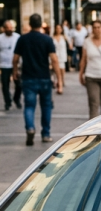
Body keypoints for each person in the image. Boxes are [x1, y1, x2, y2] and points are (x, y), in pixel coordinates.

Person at [12, 14, 63, 145]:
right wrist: (59, 79)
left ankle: (30, 128)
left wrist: (15, 72)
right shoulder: (47, 39)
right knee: (46, 106)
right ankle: (46, 134)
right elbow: (54, 59)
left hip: (28, 78)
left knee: (29, 106)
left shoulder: (23, 39)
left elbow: (15, 59)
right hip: (44, 77)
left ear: (30, 24)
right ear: (41, 24)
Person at [0, 20, 21, 110]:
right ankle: (7, 102)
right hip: (4, 65)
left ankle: (16, 98)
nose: (9, 29)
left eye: (11, 28)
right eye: (8, 28)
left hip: (15, 64)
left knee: (19, 84)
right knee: (5, 85)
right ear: (4, 29)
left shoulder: (17, 37)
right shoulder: (0, 38)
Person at [51, 24, 68, 94]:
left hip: (62, 54)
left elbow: (69, 45)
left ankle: (62, 80)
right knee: (55, 69)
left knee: (62, 68)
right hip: (55, 55)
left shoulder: (64, 37)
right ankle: (57, 81)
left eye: (59, 28)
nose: (58, 29)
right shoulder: (52, 37)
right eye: (57, 28)